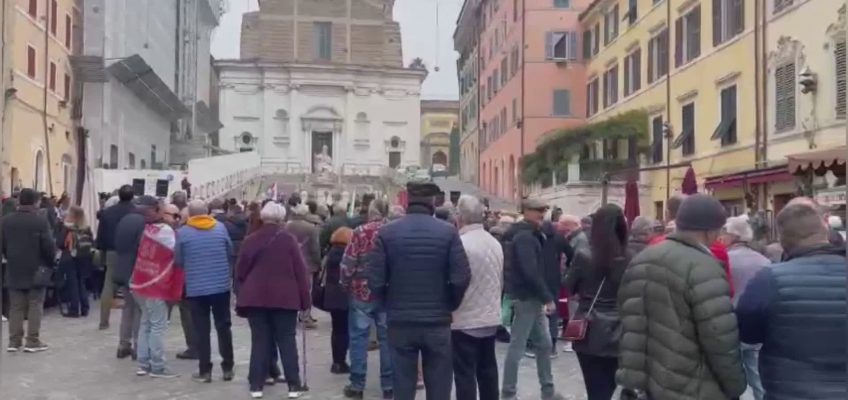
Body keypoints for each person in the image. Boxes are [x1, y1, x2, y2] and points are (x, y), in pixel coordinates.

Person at [618, 194, 747, 400]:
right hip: (691, 385)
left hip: (648, 384)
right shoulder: (705, 267)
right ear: (710, 230)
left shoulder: (642, 258)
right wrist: (735, 386)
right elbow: (719, 338)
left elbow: (629, 321)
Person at [367, 182, 471, 400]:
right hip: (437, 320)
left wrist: (387, 304)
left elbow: (375, 279)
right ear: (433, 202)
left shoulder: (387, 233)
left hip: (401, 319)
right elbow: (461, 276)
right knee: (440, 383)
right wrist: (450, 304)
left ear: (407, 201)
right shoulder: (448, 232)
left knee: (403, 383)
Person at [736, 203, 846, 400]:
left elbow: (747, 333)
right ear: (826, 231)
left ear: (783, 241)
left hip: (790, 391)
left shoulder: (769, 279)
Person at [235, 202, 309, 399]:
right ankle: (294, 385)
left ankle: (256, 385)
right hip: (285, 297)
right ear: (281, 219)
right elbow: (301, 272)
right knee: (287, 340)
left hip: (256, 297)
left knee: (260, 341)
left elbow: (240, 270)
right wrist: (305, 301)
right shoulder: (289, 240)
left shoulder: (250, 240)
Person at [501, 198, 566, 400]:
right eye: (537, 210)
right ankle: (508, 393)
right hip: (526, 297)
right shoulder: (525, 237)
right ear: (526, 211)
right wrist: (547, 297)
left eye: (544, 210)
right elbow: (530, 271)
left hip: (529, 297)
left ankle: (547, 390)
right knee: (518, 346)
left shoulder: (528, 234)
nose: (542, 214)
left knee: (544, 343)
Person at [563, 204, 629, 400]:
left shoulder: (584, 255)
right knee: (608, 386)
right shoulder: (630, 257)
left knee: (594, 387)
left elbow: (569, 285)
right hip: (620, 328)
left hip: (588, 327)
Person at [176, 200, 235, 383]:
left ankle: (205, 370)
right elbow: (229, 251)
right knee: (223, 326)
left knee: (202, 329)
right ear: (207, 212)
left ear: (190, 215)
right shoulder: (220, 228)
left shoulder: (182, 233)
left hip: (196, 288)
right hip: (220, 286)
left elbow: (178, 261)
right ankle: (227, 367)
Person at [341, 199, 394, 399]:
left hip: (361, 290)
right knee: (387, 339)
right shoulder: (393, 231)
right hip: (387, 291)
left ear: (371, 212)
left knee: (358, 338)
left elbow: (348, 262)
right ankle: (388, 386)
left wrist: (345, 282)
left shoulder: (360, 232)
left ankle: (357, 385)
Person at [451, 195, 503, 400]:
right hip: (489, 315)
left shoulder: (461, 244)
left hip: (465, 317)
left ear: (460, 217)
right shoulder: (494, 242)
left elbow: (457, 282)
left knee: (464, 373)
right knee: (488, 368)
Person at [129, 201, 181, 379]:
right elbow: (178, 252)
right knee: (158, 325)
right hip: (155, 285)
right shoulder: (166, 232)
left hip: (139, 282)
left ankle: (143, 364)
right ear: (161, 214)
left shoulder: (146, 230)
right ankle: (158, 366)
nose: (176, 220)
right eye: (173, 216)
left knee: (146, 323)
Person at [720, 215, 769, 400]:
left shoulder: (725, 260)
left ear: (733, 236)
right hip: (757, 328)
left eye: (724, 233)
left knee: (730, 378)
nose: (721, 237)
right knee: (757, 376)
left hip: (729, 326)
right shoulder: (764, 261)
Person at [3, 188, 56, 352]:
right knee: (35, 304)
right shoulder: (39, 221)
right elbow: (48, 246)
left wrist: (9, 256)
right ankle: (32, 340)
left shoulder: (6, 221)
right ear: (35, 202)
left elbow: (2, 244)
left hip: (13, 267)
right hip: (36, 267)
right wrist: (50, 262)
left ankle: (14, 341)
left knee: (16, 307)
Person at [113, 196, 160, 360]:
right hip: (137, 270)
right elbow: (144, 247)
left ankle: (123, 344)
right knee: (140, 309)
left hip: (122, 267)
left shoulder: (125, 220)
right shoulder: (143, 224)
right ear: (149, 208)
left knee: (128, 308)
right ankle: (138, 345)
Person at [96, 184, 135, 330]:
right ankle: (131, 319)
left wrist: (101, 253)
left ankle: (103, 320)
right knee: (131, 286)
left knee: (108, 285)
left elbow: (101, 235)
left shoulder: (108, 212)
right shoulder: (136, 212)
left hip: (112, 250)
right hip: (131, 252)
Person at [317, 226, 352, 374]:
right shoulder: (347, 255)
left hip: (331, 296)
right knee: (345, 330)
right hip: (344, 295)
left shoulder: (330, 253)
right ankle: (341, 361)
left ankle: (336, 361)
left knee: (336, 330)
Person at [538, 213, 574, 359]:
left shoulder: (537, 238)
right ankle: (552, 347)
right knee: (553, 313)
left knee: (537, 313)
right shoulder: (560, 238)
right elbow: (572, 254)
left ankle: (538, 344)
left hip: (539, 276)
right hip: (554, 278)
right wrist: (566, 266)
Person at [286, 203, 321, 329]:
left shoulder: (287, 226)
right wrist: (318, 262)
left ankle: (291, 312)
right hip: (307, 263)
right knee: (307, 290)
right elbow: (315, 248)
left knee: (292, 288)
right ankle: (305, 315)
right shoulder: (311, 228)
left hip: (289, 263)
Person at [56, 206, 95, 318]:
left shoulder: (67, 228)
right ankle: (85, 307)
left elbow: (60, 243)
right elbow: (91, 242)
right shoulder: (86, 228)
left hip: (70, 257)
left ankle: (74, 309)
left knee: (72, 282)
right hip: (84, 257)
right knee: (81, 282)